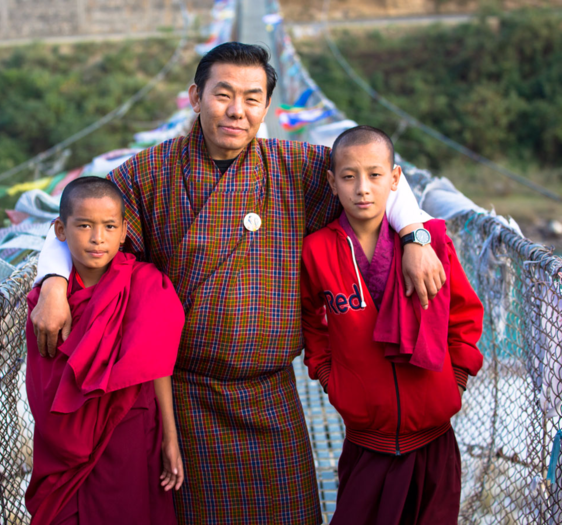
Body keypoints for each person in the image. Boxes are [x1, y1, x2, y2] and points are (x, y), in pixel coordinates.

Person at [31, 43, 447, 524]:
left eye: (252, 98)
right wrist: (53, 281)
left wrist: (415, 235)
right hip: (186, 402)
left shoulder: (298, 169)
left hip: (270, 397)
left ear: (268, 108)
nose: (236, 110)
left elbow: (373, 174)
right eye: (223, 94)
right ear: (194, 96)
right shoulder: (148, 174)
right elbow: (81, 215)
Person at [301, 126, 484, 525]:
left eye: (375, 175)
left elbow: (464, 313)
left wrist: (455, 378)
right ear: (332, 183)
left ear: (396, 179)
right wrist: (329, 375)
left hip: (433, 436)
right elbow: (311, 321)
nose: (362, 188)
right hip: (366, 440)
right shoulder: (317, 250)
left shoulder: (430, 242)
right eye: (348, 177)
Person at [24, 177, 185, 525]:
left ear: (124, 231)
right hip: (64, 446)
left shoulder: (143, 282)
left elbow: (157, 367)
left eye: (109, 226)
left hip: (130, 431)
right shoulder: (47, 304)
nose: (98, 238)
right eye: (84, 226)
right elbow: (41, 387)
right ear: (61, 230)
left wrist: (170, 439)